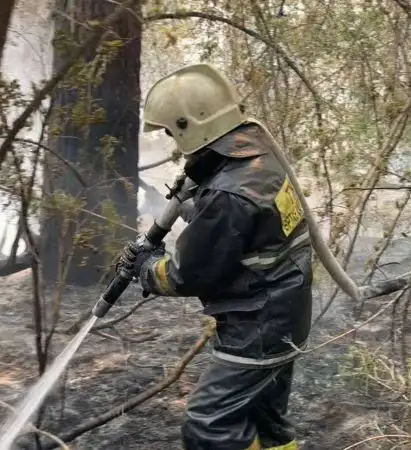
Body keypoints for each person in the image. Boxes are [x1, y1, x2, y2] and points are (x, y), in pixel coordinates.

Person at [123, 63, 311, 450]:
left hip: (256, 327)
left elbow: (188, 274)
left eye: (172, 132)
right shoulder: (259, 158)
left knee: (209, 426)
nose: (173, 142)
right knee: (267, 423)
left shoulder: (228, 194)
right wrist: (195, 206)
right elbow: (246, 230)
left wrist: (145, 268)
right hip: (285, 314)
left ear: (190, 125)